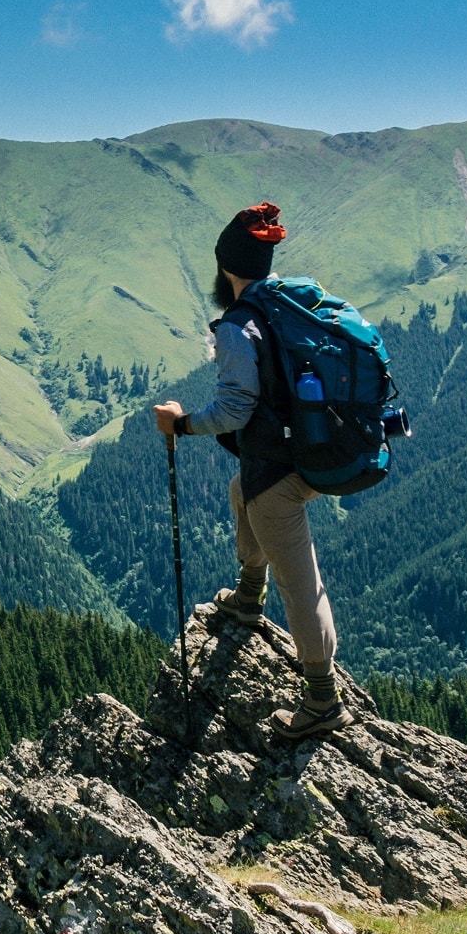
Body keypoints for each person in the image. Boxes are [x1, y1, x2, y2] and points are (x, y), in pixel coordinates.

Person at [153, 202, 356, 739]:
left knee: (300, 582)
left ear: (226, 269)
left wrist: (181, 423)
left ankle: (322, 700)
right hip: (315, 449)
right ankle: (247, 598)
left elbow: (234, 411)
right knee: (241, 489)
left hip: (282, 473)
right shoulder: (288, 301)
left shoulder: (240, 327)